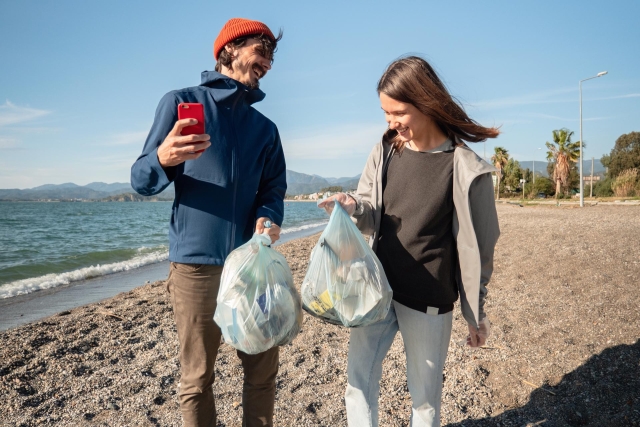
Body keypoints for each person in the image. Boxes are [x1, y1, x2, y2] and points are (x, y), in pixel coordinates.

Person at [318, 56, 500, 427]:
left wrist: (475, 312)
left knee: (424, 402)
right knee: (358, 384)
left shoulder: (465, 167)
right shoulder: (385, 150)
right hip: (377, 290)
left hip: (429, 299)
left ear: (426, 102)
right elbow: (370, 209)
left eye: (398, 113)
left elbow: (480, 249)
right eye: (385, 115)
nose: (391, 123)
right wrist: (352, 205)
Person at [131, 18, 286, 427]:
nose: (268, 62)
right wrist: (163, 158)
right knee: (197, 379)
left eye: (272, 55)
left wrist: (268, 218)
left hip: (252, 267)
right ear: (230, 49)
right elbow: (141, 181)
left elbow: (273, 189)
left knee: (261, 372)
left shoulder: (265, 129)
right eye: (262, 49)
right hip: (196, 268)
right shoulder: (180, 102)